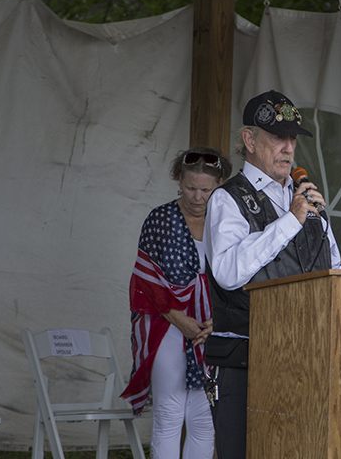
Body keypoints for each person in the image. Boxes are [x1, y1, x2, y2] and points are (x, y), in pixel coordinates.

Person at [203, 90, 341, 459]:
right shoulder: (227, 198)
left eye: (293, 139)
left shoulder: (304, 199)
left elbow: (332, 269)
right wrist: (290, 221)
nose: (288, 148)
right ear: (250, 140)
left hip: (306, 355)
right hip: (246, 358)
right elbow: (228, 272)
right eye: (277, 137)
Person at [121, 146, 232, 459]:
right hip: (166, 322)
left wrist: (219, 320)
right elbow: (145, 281)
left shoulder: (229, 220)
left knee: (205, 417)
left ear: (220, 184)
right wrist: (178, 318)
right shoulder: (160, 219)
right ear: (178, 182)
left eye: (206, 190)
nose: (197, 197)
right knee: (170, 414)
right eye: (190, 188)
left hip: (213, 324)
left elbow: (242, 277)